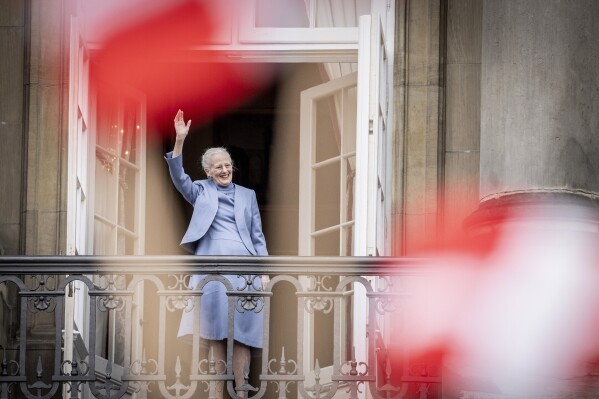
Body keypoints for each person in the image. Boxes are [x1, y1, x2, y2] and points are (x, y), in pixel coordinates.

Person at [165, 109, 268, 398]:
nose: (224, 170)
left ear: (232, 167)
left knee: (244, 332)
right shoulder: (200, 191)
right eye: (217, 167)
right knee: (215, 332)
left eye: (227, 165)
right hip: (211, 268)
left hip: (244, 270)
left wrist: (264, 271)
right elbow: (178, 176)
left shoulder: (247, 196)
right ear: (208, 172)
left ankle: (242, 390)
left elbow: (258, 237)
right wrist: (180, 141)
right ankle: (216, 392)